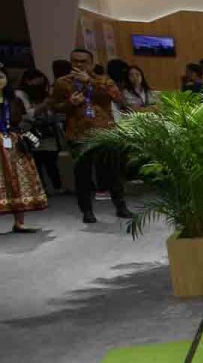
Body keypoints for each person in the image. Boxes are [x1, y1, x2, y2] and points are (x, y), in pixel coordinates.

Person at [48, 47, 128, 223]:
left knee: (113, 172)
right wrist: (69, 104)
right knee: (82, 175)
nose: (79, 64)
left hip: (105, 132)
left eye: (83, 61)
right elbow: (54, 106)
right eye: (75, 61)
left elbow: (119, 99)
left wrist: (90, 82)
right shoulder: (62, 83)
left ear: (91, 63)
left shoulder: (104, 80)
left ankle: (121, 207)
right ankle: (87, 211)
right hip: (78, 134)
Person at [0, 71, 47, 233]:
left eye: (1, 76)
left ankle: (19, 222)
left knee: (19, 179)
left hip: (12, 141)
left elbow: (24, 119)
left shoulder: (14, 99)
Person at [15, 69, 63, 192]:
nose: (40, 86)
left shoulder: (44, 94)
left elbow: (52, 113)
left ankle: (57, 186)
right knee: (36, 161)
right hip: (29, 131)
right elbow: (27, 115)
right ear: (28, 81)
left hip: (47, 131)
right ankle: (41, 188)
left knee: (51, 160)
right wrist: (43, 106)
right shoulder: (20, 95)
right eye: (37, 83)